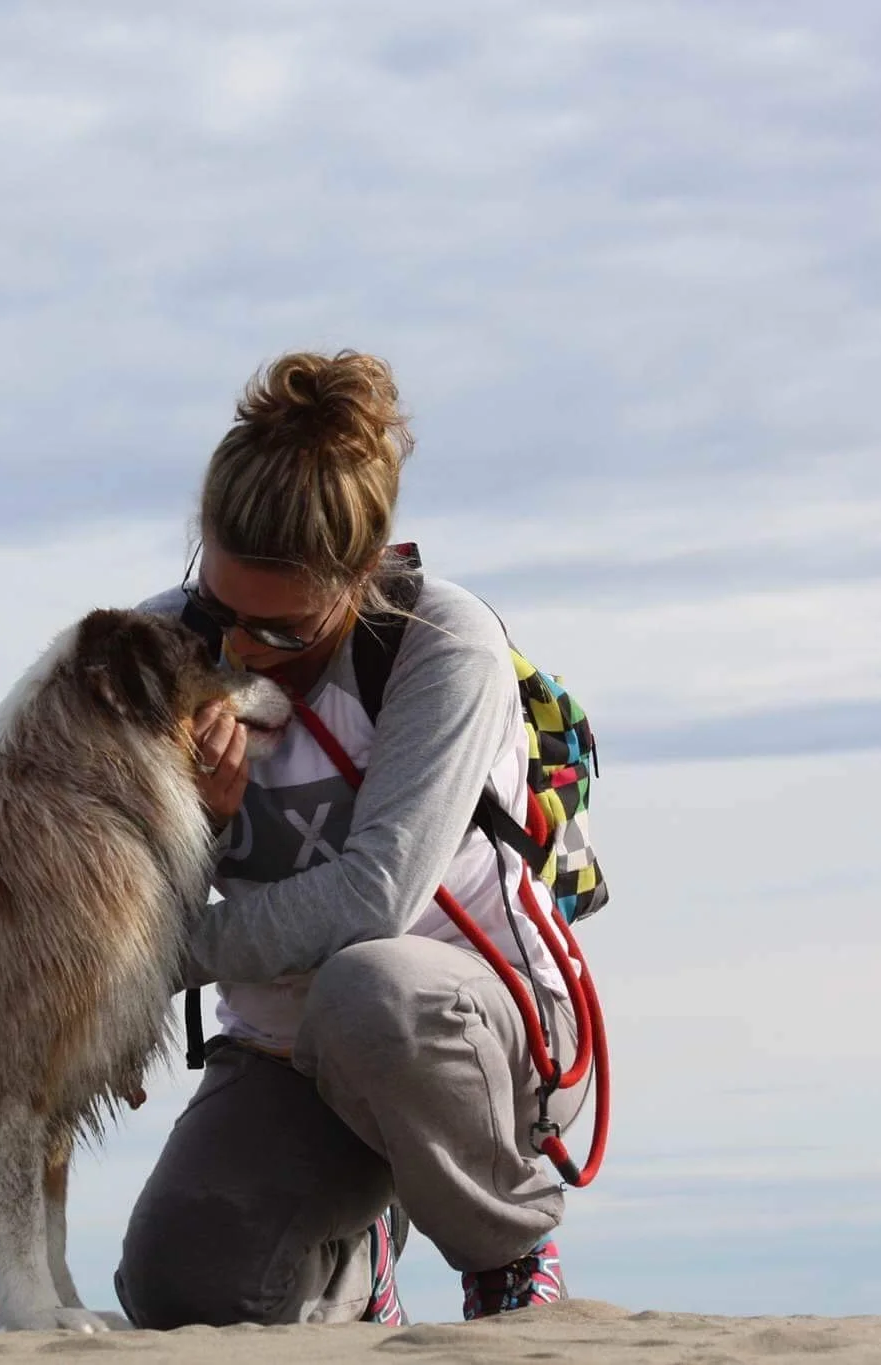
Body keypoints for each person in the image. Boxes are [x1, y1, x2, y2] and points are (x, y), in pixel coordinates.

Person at [113, 351, 585, 1328]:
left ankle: (505, 1251)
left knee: (367, 985)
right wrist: (196, 822)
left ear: (364, 573)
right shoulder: (157, 645)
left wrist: (136, 963)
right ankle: (354, 1270)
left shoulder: (439, 644)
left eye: (281, 632)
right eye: (215, 607)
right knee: (178, 1288)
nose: (238, 652)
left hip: (458, 1030)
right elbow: (111, 877)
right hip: (284, 1051)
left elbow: (373, 899)